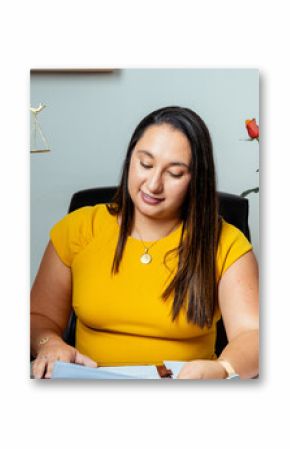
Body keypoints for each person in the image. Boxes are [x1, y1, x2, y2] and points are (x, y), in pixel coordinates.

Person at [30, 106, 259, 380]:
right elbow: (39, 317)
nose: (153, 184)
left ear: (196, 180)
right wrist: (50, 344)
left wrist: (223, 369)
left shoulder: (226, 243)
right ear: (130, 160)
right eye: (145, 164)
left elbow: (253, 335)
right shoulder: (79, 228)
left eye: (174, 173)